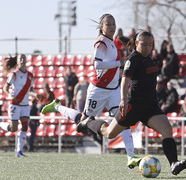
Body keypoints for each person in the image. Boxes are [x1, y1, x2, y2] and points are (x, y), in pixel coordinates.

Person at [77, 30, 186, 175]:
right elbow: (125, 80)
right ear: (137, 43)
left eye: (150, 45)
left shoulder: (150, 58)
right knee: (109, 133)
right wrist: (124, 100)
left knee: (167, 129)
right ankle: (88, 121)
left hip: (150, 106)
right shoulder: (133, 59)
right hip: (133, 106)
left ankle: (174, 163)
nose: (147, 48)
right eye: (144, 45)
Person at [41, 14, 140, 168]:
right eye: (108, 24)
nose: (112, 26)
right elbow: (97, 65)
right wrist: (117, 63)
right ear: (102, 27)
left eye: (114, 23)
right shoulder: (100, 43)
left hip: (113, 90)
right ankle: (57, 106)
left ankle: (131, 157)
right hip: (98, 90)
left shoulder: (112, 42)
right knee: (83, 120)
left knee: (124, 119)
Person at [0, 54, 41, 157]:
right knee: (13, 128)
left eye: (24, 58)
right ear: (18, 61)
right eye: (21, 58)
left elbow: (30, 91)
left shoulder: (30, 75)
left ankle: (19, 151)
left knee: (25, 126)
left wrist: (36, 94)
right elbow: (5, 88)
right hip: (15, 104)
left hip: (25, 105)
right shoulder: (14, 74)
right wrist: (9, 95)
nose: (23, 60)